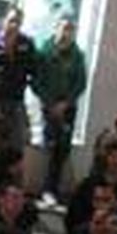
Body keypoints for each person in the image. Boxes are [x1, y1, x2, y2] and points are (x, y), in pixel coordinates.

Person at [34, 17, 88, 205]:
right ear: (56, 28)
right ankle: (44, 188)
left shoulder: (77, 55)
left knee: (62, 148)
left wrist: (66, 103)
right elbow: (36, 81)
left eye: (71, 29)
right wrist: (50, 103)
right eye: (64, 28)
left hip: (68, 108)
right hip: (48, 106)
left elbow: (80, 82)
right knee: (50, 145)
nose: (67, 33)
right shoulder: (44, 52)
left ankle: (52, 188)